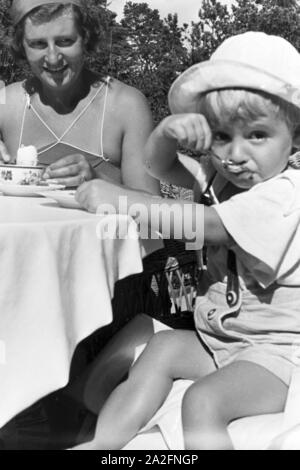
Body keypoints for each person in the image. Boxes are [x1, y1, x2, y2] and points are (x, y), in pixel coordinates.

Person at [70, 31, 300, 450]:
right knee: (160, 349)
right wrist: (167, 132)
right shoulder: (222, 179)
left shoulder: (285, 194)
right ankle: (102, 447)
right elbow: (157, 166)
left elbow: (208, 224)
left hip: (278, 354)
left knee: (203, 401)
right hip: (224, 340)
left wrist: (125, 201)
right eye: (221, 136)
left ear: (296, 137)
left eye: (257, 136)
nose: (235, 153)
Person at [0, 0, 160, 192]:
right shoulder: (7, 102)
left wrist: (97, 180)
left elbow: (155, 213)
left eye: (65, 41)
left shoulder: (126, 106)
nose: (53, 58)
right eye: (38, 44)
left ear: (85, 38)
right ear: (21, 46)